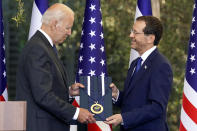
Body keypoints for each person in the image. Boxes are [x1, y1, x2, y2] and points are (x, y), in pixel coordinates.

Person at [15, 3, 95, 131]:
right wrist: (76, 112)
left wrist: (68, 93)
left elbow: (42, 87)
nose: (69, 33)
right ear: (54, 24)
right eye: (68, 28)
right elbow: (43, 96)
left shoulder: (45, 46)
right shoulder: (38, 48)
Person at [105, 16, 173, 131]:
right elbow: (133, 102)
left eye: (135, 32)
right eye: (132, 31)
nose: (131, 35)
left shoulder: (161, 65)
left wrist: (123, 118)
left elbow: (157, 107)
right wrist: (117, 95)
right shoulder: (135, 63)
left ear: (150, 38)